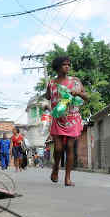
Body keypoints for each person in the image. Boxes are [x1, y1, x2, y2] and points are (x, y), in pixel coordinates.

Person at [46, 56, 88, 187]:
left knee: (70, 147)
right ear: (58, 67)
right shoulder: (52, 83)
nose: (67, 67)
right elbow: (47, 96)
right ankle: (55, 168)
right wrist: (48, 104)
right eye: (64, 64)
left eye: (69, 65)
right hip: (58, 118)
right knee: (58, 148)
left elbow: (86, 97)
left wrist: (78, 93)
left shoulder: (75, 81)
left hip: (72, 118)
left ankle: (67, 178)